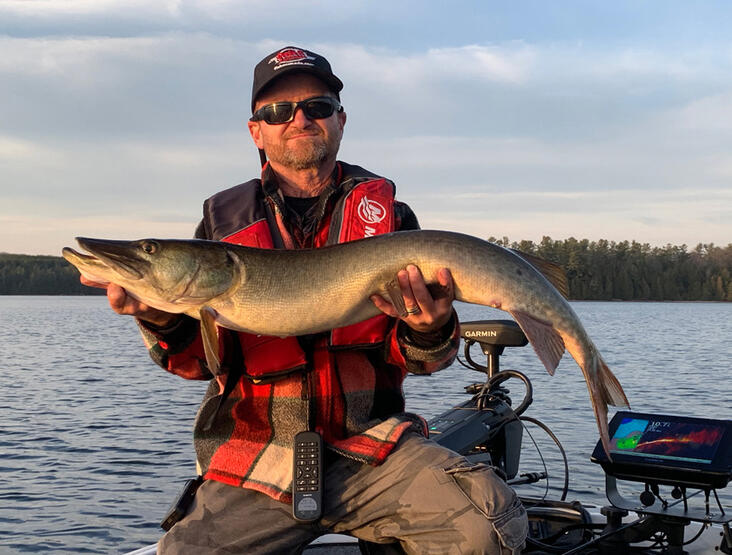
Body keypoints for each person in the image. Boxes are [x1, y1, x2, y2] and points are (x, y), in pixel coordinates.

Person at [84, 46, 528, 554]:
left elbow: (424, 362)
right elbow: (197, 364)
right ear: (257, 130)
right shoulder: (221, 229)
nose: (298, 119)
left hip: (373, 450)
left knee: (487, 524)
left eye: (316, 107)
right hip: (256, 459)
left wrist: (429, 328)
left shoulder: (390, 220)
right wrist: (161, 318)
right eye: (277, 111)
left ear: (340, 121)